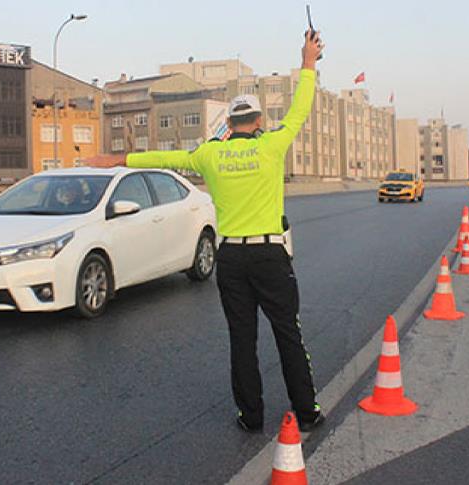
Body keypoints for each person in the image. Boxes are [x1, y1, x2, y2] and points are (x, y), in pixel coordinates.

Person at [87, 30, 325, 433]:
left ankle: (251, 417)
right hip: (270, 256)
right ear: (259, 121)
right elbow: (301, 108)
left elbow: (165, 156)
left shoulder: (210, 155)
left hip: (230, 258)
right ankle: (306, 412)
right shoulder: (272, 146)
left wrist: (114, 158)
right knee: (288, 333)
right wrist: (308, 61)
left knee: (242, 340)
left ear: (229, 124)